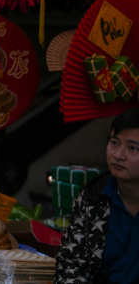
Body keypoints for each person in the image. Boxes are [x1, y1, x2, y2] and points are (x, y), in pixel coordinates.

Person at [56, 107, 139, 284]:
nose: (118, 155)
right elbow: (70, 263)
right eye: (114, 143)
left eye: (132, 148)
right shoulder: (93, 195)